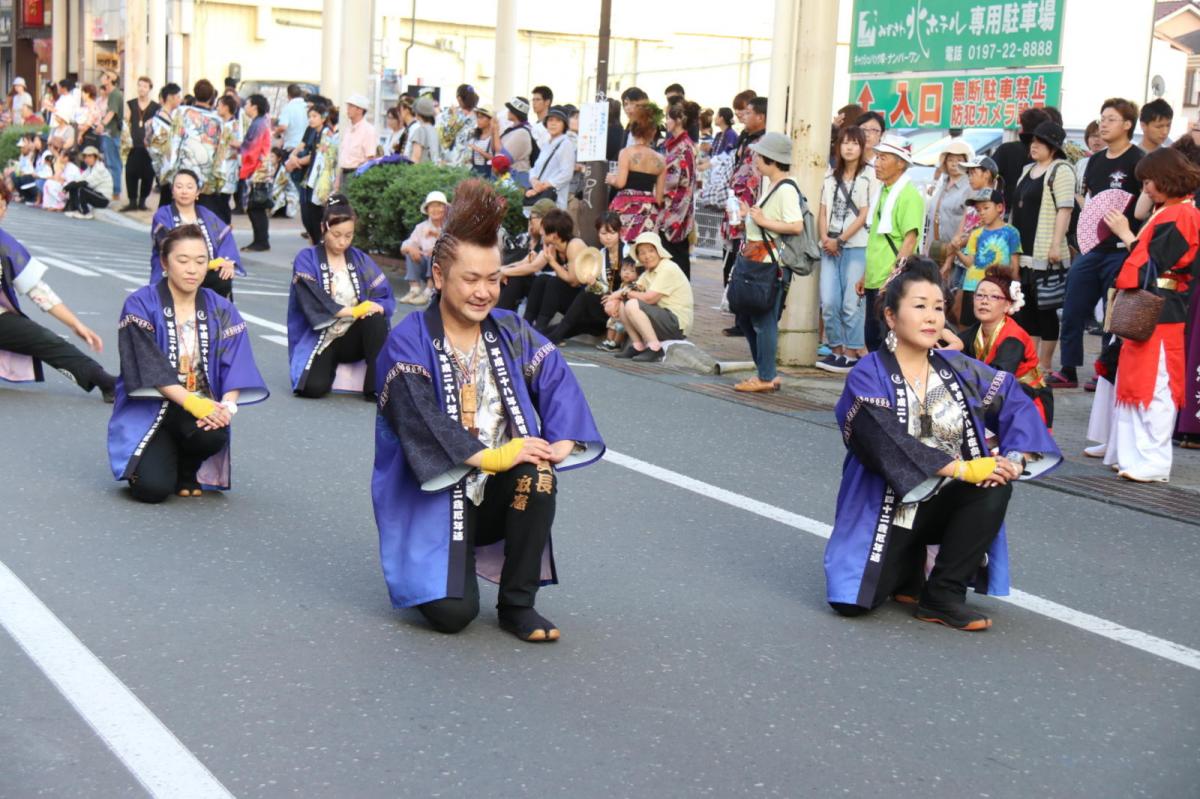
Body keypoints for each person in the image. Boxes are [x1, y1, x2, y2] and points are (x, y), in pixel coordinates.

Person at [371, 179, 603, 641]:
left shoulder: (510, 329)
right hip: (435, 497)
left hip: (499, 489)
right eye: (471, 279)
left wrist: (562, 438)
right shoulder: (408, 340)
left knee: (538, 473)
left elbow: (553, 374)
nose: (483, 292)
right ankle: (447, 566)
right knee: (453, 616)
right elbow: (417, 417)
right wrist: (492, 456)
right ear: (440, 277)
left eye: (493, 279)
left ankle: (519, 603)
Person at [825, 258, 1061, 630]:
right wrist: (963, 468)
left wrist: (1015, 458)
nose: (932, 317)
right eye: (920, 306)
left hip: (942, 503)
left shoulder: (957, 367)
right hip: (887, 512)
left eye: (938, 308)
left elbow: (1014, 400)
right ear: (891, 316)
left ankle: (942, 596)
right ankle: (907, 570)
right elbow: (883, 439)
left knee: (994, 486)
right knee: (851, 605)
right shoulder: (868, 373)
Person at [108, 225, 269, 502]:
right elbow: (148, 366)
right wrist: (194, 404)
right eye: (182, 260)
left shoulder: (221, 307)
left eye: (200, 261)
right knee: (152, 490)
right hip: (152, 407)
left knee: (214, 433)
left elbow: (236, 362)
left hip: (199, 406)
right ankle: (155, 458)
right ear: (164, 262)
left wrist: (227, 407)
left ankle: (187, 467)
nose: (192, 269)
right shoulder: (140, 303)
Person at [1097, 147, 1200, 482]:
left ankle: (1153, 460)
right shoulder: (1170, 211)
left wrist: (1128, 237)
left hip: (1162, 306)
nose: (1146, 189)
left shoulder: (1182, 215)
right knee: (1138, 381)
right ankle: (1135, 456)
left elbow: (1153, 261)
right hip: (1153, 302)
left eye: (1148, 182)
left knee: (1155, 384)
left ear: (1166, 178)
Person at [1051, 99, 1144, 389]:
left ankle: (1104, 369)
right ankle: (1068, 368)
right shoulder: (1094, 161)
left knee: (1111, 314)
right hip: (1093, 249)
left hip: (1122, 250)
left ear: (1127, 124)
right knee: (1072, 306)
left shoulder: (1138, 160)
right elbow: (1090, 202)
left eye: (1111, 119)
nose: (1103, 124)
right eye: (1102, 118)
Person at [0, 198, 116, 401]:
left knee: (44, 339)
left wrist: (75, 324)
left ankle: (104, 381)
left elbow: (38, 290)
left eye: (2, 205)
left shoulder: (5, 245)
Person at [288, 194, 395, 399]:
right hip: (322, 337)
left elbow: (383, 293)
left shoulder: (360, 259)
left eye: (348, 235)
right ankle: (327, 369)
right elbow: (312, 299)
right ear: (323, 228)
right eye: (336, 235)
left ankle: (376, 387)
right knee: (312, 388)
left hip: (353, 334)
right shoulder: (306, 258)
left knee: (376, 319)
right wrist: (353, 310)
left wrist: (377, 307)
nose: (342, 242)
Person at [728, 132, 804, 391]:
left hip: (770, 264)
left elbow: (795, 225)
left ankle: (766, 376)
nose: (756, 161)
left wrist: (761, 220)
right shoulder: (775, 186)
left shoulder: (785, 189)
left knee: (762, 319)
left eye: (760, 156)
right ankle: (765, 372)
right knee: (749, 317)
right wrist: (750, 216)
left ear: (772, 159)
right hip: (760, 261)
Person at [1010, 121, 1074, 370]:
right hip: (1023, 251)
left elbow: (1065, 209)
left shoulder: (1061, 170)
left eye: (1040, 142)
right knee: (1027, 310)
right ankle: (1031, 361)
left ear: (1053, 147)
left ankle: (1045, 363)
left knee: (1045, 309)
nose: (1034, 146)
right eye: (1032, 141)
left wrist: (1056, 244)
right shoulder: (1027, 170)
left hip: (1046, 252)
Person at [961, 267, 1053, 428]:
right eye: (980, 295)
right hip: (997, 399)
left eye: (994, 297)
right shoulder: (975, 332)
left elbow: (999, 379)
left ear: (1007, 305)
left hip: (1024, 403)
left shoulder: (1013, 337)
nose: (984, 301)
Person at [860, 135, 924, 351]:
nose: (877, 163)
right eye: (877, 157)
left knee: (888, 340)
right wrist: (865, 275)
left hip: (891, 281)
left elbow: (910, 240)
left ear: (900, 163)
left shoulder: (909, 195)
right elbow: (875, 239)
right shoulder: (882, 192)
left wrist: (892, 278)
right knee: (872, 337)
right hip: (875, 279)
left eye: (883, 158)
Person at [817, 126, 873, 374]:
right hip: (829, 245)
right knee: (829, 301)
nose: (849, 148)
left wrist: (839, 240)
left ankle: (851, 352)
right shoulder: (830, 176)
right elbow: (822, 210)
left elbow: (864, 214)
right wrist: (824, 238)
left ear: (862, 147)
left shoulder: (869, 175)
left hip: (856, 245)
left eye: (854, 143)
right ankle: (836, 350)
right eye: (845, 143)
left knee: (852, 303)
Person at [149, 169, 243, 299]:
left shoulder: (207, 215)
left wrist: (227, 262)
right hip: (175, 269)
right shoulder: (163, 214)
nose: (184, 191)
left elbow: (225, 239)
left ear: (197, 192)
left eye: (189, 187)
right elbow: (166, 244)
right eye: (179, 187)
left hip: (206, 269)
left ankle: (217, 311)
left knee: (223, 278)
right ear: (172, 191)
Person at [606, 231, 693, 362]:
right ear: (638, 257)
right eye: (642, 253)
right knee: (624, 304)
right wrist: (613, 301)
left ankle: (655, 348)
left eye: (651, 251)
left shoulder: (668, 268)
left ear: (659, 251)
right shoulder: (648, 273)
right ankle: (638, 345)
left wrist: (623, 293)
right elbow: (631, 288)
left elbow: (649, 298)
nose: (647, 256)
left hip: (676, 325)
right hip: (663, 318)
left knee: (632, 303)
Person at [548, 212, 624, 345]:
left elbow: (637, 284)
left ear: (619, 232)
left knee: (585, 297)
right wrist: (594, 284)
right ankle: (541, 334)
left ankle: (551, 336)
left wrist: (617, 296)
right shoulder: (599, 255)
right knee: (586, 297)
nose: (608, 237)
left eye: (612, 233)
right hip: (605, 305)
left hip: (623, 304)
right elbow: (602, 289)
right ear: (598, 234)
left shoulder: (629, 252)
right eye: (603, 233)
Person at [721, 96, 767, 298]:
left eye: (748, 112)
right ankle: (731, 299)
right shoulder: (746, 138)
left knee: (742, 255)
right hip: (735, 204)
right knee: (730, 254)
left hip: (747, 208)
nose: (743, 116)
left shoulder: (763, 143)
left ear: (761, 117)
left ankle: (738, 300)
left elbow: (756, 178)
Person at [959, 188, 1020, 330]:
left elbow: (1014, 265)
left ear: (999, 207)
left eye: (986, 208)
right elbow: (969, 262)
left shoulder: (1011, 232)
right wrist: (956, 251)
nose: (982, 212)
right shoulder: (976, 234)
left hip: (997, 289)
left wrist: (1015, 289)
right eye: (978, 210)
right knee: (968, 328)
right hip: (972, 286)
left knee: (996, 327)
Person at [607, 102, 665, 244]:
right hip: (648, 210)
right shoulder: (661, 159)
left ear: (633, 130)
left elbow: (621, 183)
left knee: (622, 248)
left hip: (626, 206)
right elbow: (659, 198)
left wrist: (611, 179)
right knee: (644, 247)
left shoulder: (626, 153)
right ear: (653, 132)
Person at [523, 208, 587, 333]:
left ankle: (540, 328)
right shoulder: (554, 247)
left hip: (584, 301)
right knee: (541, 280)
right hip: (571, 297)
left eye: (544, 230)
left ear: (554, 235)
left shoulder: (574, 245)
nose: (540, 232)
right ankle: (525, 324)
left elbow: (574, 281)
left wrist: (552, 262)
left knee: (554, 283)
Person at [172, 80, 223, 218]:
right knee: (204, 214)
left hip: (184, 169)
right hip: (206, 174)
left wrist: (170, 170)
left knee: (181, 212)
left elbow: (174, 140)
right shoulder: (217, 120)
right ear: (211, 96)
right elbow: (220, 150)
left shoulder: (182, 113)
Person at [496, 197, 555, 311]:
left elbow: (533, 267)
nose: (529, 221)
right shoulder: (537, 238)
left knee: (517, 277)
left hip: (548, 288)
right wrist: (500, 271)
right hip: (537, 285)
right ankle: (496, 313)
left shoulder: (551, 238)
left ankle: (500, 315)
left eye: (531, 218)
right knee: (511, 275)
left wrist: (504, 272)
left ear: (543, 219)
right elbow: (522, 262)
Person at [660, 102, 697, 277]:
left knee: (676, 254)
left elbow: (678, 179)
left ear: (678, 120)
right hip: (674, 203)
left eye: (668, 118)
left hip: (677, 205)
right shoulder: (679, 145)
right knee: (673, 253)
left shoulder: (684, 147)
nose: (666, 122)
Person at [923, 139, 973, 264]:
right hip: (935, 252)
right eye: (950, 160)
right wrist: (926, 248)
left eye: (959, 160)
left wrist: (950, 257)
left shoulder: (970, 188)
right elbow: (932, 219)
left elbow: (968, 227)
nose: (954, 164)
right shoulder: (942, 184)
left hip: (957, 256)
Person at [991, 107, 1049, 211]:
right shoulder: (1047, 155)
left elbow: (987, 174)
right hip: (1037, 211)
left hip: (1006, 209)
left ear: (1022, 128)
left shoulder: (1006, 149)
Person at [399, 191, 448, 305]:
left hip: (444, 269)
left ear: (445, 209)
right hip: (425, 267)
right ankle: (415, 289)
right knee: (411, 251)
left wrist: (437, 239)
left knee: (436, 252)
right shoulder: (421, 227)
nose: (435, 210)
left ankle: (429, 291)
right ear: (427, 210)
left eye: (439, 206)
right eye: (431, 206)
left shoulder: (450, 226)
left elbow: (455, 245)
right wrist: (411, 249)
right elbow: (405, 245)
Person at [525, 106, 575, 211]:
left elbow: (566, 173)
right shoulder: (547, 144)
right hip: (540, 197)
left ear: (564, 125)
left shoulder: (566, 144)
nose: (553, 124)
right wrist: (534, 180)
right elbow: (535, 168)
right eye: (550, 120)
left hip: (554, 200)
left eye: (558, 121)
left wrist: (543, 186)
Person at [239, 93, 272, 252]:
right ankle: (260, 240)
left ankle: (261, 241)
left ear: (254, 107)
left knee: (255, 207)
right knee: (256, 207)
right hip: (260, 168)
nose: (245, 107)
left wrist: (238, 147)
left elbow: (251, 149)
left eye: (247, 104)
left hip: (257, 170)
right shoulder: (261, 122)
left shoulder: (258, 124)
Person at [123, 77, 159, 211]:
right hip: (133, 145)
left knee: (148, 174)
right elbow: (126, 123)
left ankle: (142, 202)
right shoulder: (131, 104)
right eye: (139, 85)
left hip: (148, 147)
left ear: (149, 89)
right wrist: (126, 140)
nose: (141, 89)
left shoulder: (156, 107)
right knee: (130, 172)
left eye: (145, 86)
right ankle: (132, 202)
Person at [305, 103, 340, 237]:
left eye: (314, 116)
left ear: (323, 118)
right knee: (311, 215)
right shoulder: (316, 133)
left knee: (317, 215)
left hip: (323, 178)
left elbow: (328, 158)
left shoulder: (327, 133)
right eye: (309, 116)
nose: (311, 119)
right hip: (315, 176)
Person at [146, 83, 183, 208]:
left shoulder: (169, 115)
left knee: (168, 200)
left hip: (169, 166)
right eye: (178, 96)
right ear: (170, 97)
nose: (180, 99)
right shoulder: (161, 119)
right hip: (166, 167)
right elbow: (157, 147)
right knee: (166, 201)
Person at [211, 94, 243, 224]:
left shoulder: (235, 125)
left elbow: (240, 143)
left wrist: (224, 142)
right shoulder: (219, 123)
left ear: (226, 107)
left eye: (219, 105)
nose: (217, 108)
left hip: (228, 168)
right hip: (218, 167)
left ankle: (225, 227)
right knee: (217, 202)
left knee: (223, 202)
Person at [493, 97, 536, 187]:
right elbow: (495, 150)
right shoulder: (513, 129)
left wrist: (496, 130)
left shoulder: (522, 132)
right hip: (508, 179)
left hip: (517, 180)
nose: (508, 111)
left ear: (515, 112)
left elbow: (502, 157)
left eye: (510, 109)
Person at [337, 93, 377, 185]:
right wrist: (338, 179)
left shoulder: (368, 130)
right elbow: (344, 155)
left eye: (351, 106)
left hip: (357, 174)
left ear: (360, 110)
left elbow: (370, 158)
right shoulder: (348, 128)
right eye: (348, 106)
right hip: (344, 172)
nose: (348, 109)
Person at [63, 145, 113, 219]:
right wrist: (69, 185)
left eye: (90, 156)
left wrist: (72, 185)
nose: (87, 159)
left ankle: (85, 213)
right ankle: (74, 209)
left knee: (81, 189)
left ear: (96, 157)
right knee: (74, 187)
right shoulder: (89, 169)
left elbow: (88, 183)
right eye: (85, 157)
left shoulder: (100, 168)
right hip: (95, 194)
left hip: (103, 199)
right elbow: (79, 179)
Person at [436, 83, 479, 167]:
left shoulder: (447, 114)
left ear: (459, 98)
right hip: (470, 163)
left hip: (449, 162)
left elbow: (443, 139)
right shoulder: (480, 116)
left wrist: (454, 118)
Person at [98, 71, 123, 205]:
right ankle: (113, 191)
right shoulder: (112, 94)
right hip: (109, 133)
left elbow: (112, 112)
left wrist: (102, 124)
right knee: (111, 163)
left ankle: (115, 192)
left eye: (104, 76)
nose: (102, 78)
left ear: (110, 79)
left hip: (112, 133)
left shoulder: (115, 94)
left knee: (113, 163)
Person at [275, 84, 308, 184]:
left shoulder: (289, 107)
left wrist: (275, 133)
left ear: (288, 95)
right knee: (300, 182)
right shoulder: (306, 107)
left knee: (288, 182)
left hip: (292, 149)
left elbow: (283, 126)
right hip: (305, 150)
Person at [407, 95, 440, 165]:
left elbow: (415, 158)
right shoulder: (435, 131)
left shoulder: (420, 131)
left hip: (421, 171)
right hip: (433, 170)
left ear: (417, 114)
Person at [467, 105, 494, 177]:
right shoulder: (475, 136)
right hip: (474, 171)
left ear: (490, 120)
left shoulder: (493, 137)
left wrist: (478, 150)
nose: (478, 120)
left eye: (481, 117)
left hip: (487, 173)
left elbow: (494, 158)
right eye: (478, 117)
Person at [529, 85, 553, 151]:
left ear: (547, 102)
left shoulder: (551, 125)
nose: (534, 103)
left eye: (538, 99)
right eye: (533, 100)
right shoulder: (535, 125)